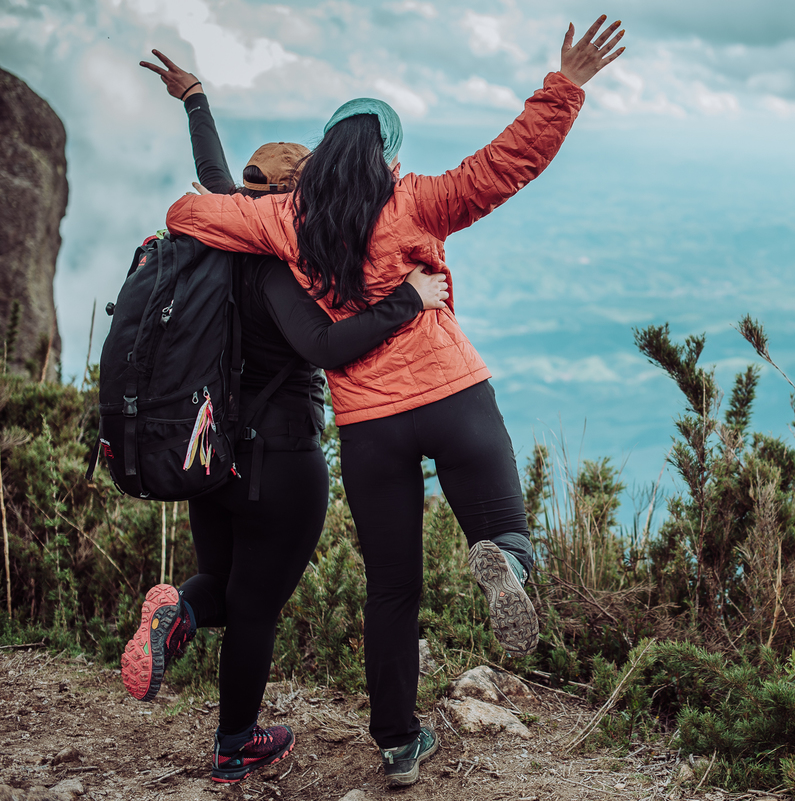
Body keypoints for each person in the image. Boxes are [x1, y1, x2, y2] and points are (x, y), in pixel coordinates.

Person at [165, 15, 626, 787]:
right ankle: (506, 560)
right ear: (388, 156)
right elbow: (504, 165)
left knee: (392, 588)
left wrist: (248, 213)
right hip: (452, 394)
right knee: (506, 528)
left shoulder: (284, 221)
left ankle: (398, 743)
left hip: (370, 427)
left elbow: (186, 213)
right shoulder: (417, 201)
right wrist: (565, 87)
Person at [123, 51, 451, 785]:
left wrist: (196, 100)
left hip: (210, 453)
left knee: (223, 584)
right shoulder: (280, 266)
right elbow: (322, 346)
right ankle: (233, 743)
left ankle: (180, 614)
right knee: (257, 607)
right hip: (281, 461)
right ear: (296, 197)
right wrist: (409, 299)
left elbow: (213, 176)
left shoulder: (220, 236)